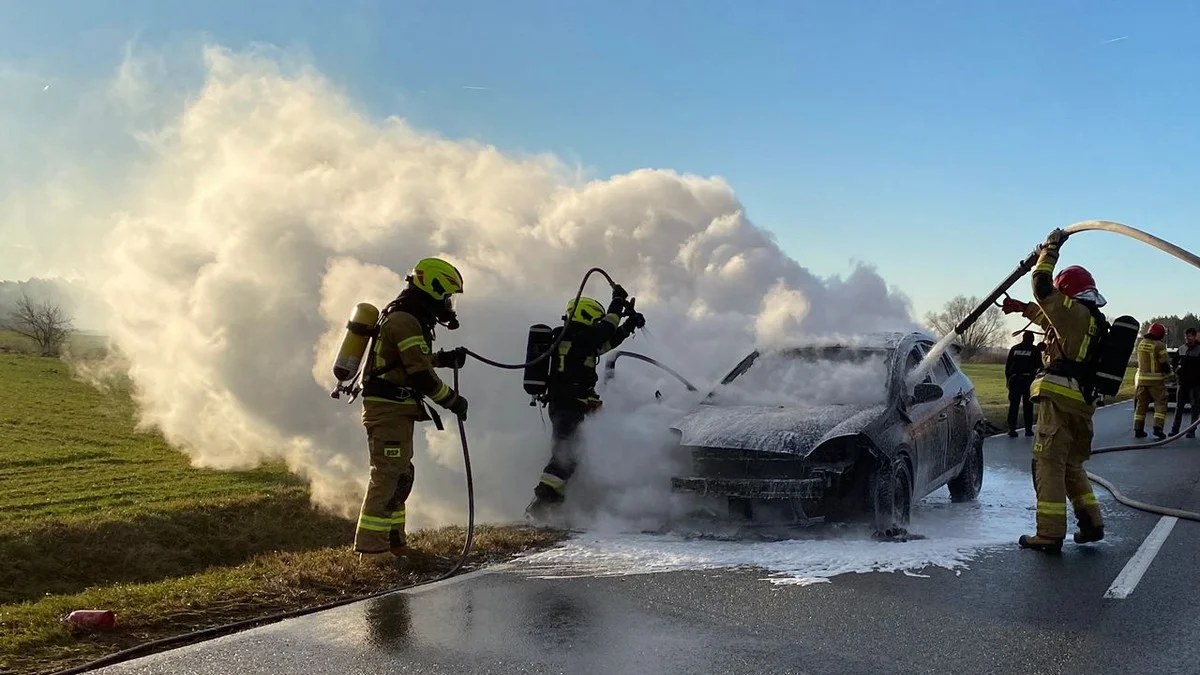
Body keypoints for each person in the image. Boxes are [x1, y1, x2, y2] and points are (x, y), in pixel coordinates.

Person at [354, 257, 470, 567]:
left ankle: (395, 544)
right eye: (446, 296)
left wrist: (444, 359)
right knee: (388, 475)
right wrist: (452, 401)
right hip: (388, 409)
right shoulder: (404, 319)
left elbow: (411, 358)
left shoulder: (410, 317)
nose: (448, 303)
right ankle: (372, 551)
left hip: (398, 409)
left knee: (402, 475)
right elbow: (419, 374)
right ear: (432, 289)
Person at [1001, 228, 1106, 553]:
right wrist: (1023, 309)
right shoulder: (1090, 320)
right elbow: (1051, 322)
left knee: (1047, 464)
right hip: (1082, 403)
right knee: (1071, 465)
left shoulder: (1073, 311)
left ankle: (1049, 534)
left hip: (1060, 401)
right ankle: (1092, 523)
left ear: (1068, 292)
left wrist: (1050, 249)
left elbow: (1041, 286)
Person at [524, 284, 645, 523]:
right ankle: (539, 507)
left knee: (570, 456)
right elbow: (605, 330)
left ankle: (551, 507)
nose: (599, 323)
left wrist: (629, 326)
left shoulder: (577, 341)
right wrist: (618, 303)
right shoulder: (574, 337)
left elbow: (606, 343)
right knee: (564, 457)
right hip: (568, 407)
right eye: (596, 319)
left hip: (572, 406)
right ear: (586, 316)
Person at [1133, 322, 1171, 440]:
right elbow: (1164, 364)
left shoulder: (1141, 344)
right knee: (1160, 404)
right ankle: (1157, 428)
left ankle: (1138, 429)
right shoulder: (1159, 345)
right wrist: (1171, 375)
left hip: (1142, 381)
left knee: (1141, 405)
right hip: (1156, 382)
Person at [1005, 331, 1043, 437]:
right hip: (1028, 381)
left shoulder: (1014, 349)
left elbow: (1008, 366)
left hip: (1015, 379)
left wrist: (1008, 380)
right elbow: (1039, 367)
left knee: (1013, 406)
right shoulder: (1034, 350)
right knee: (1028, 406)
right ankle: (1028, 429)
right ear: (1032, 339)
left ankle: (1011, 429)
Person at [1170, 327, 1200, 438]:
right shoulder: (1181, 349)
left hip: (1195, 384)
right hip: (1182, 383)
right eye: (1186, 336)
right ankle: (1175, 430)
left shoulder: (1199, 350)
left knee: (1195, 407)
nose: (1188, 338)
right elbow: (1174, 362)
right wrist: (1175, 370)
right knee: (1179, 407)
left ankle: (1191, 430)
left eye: (1190, 336)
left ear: (1194, 336)